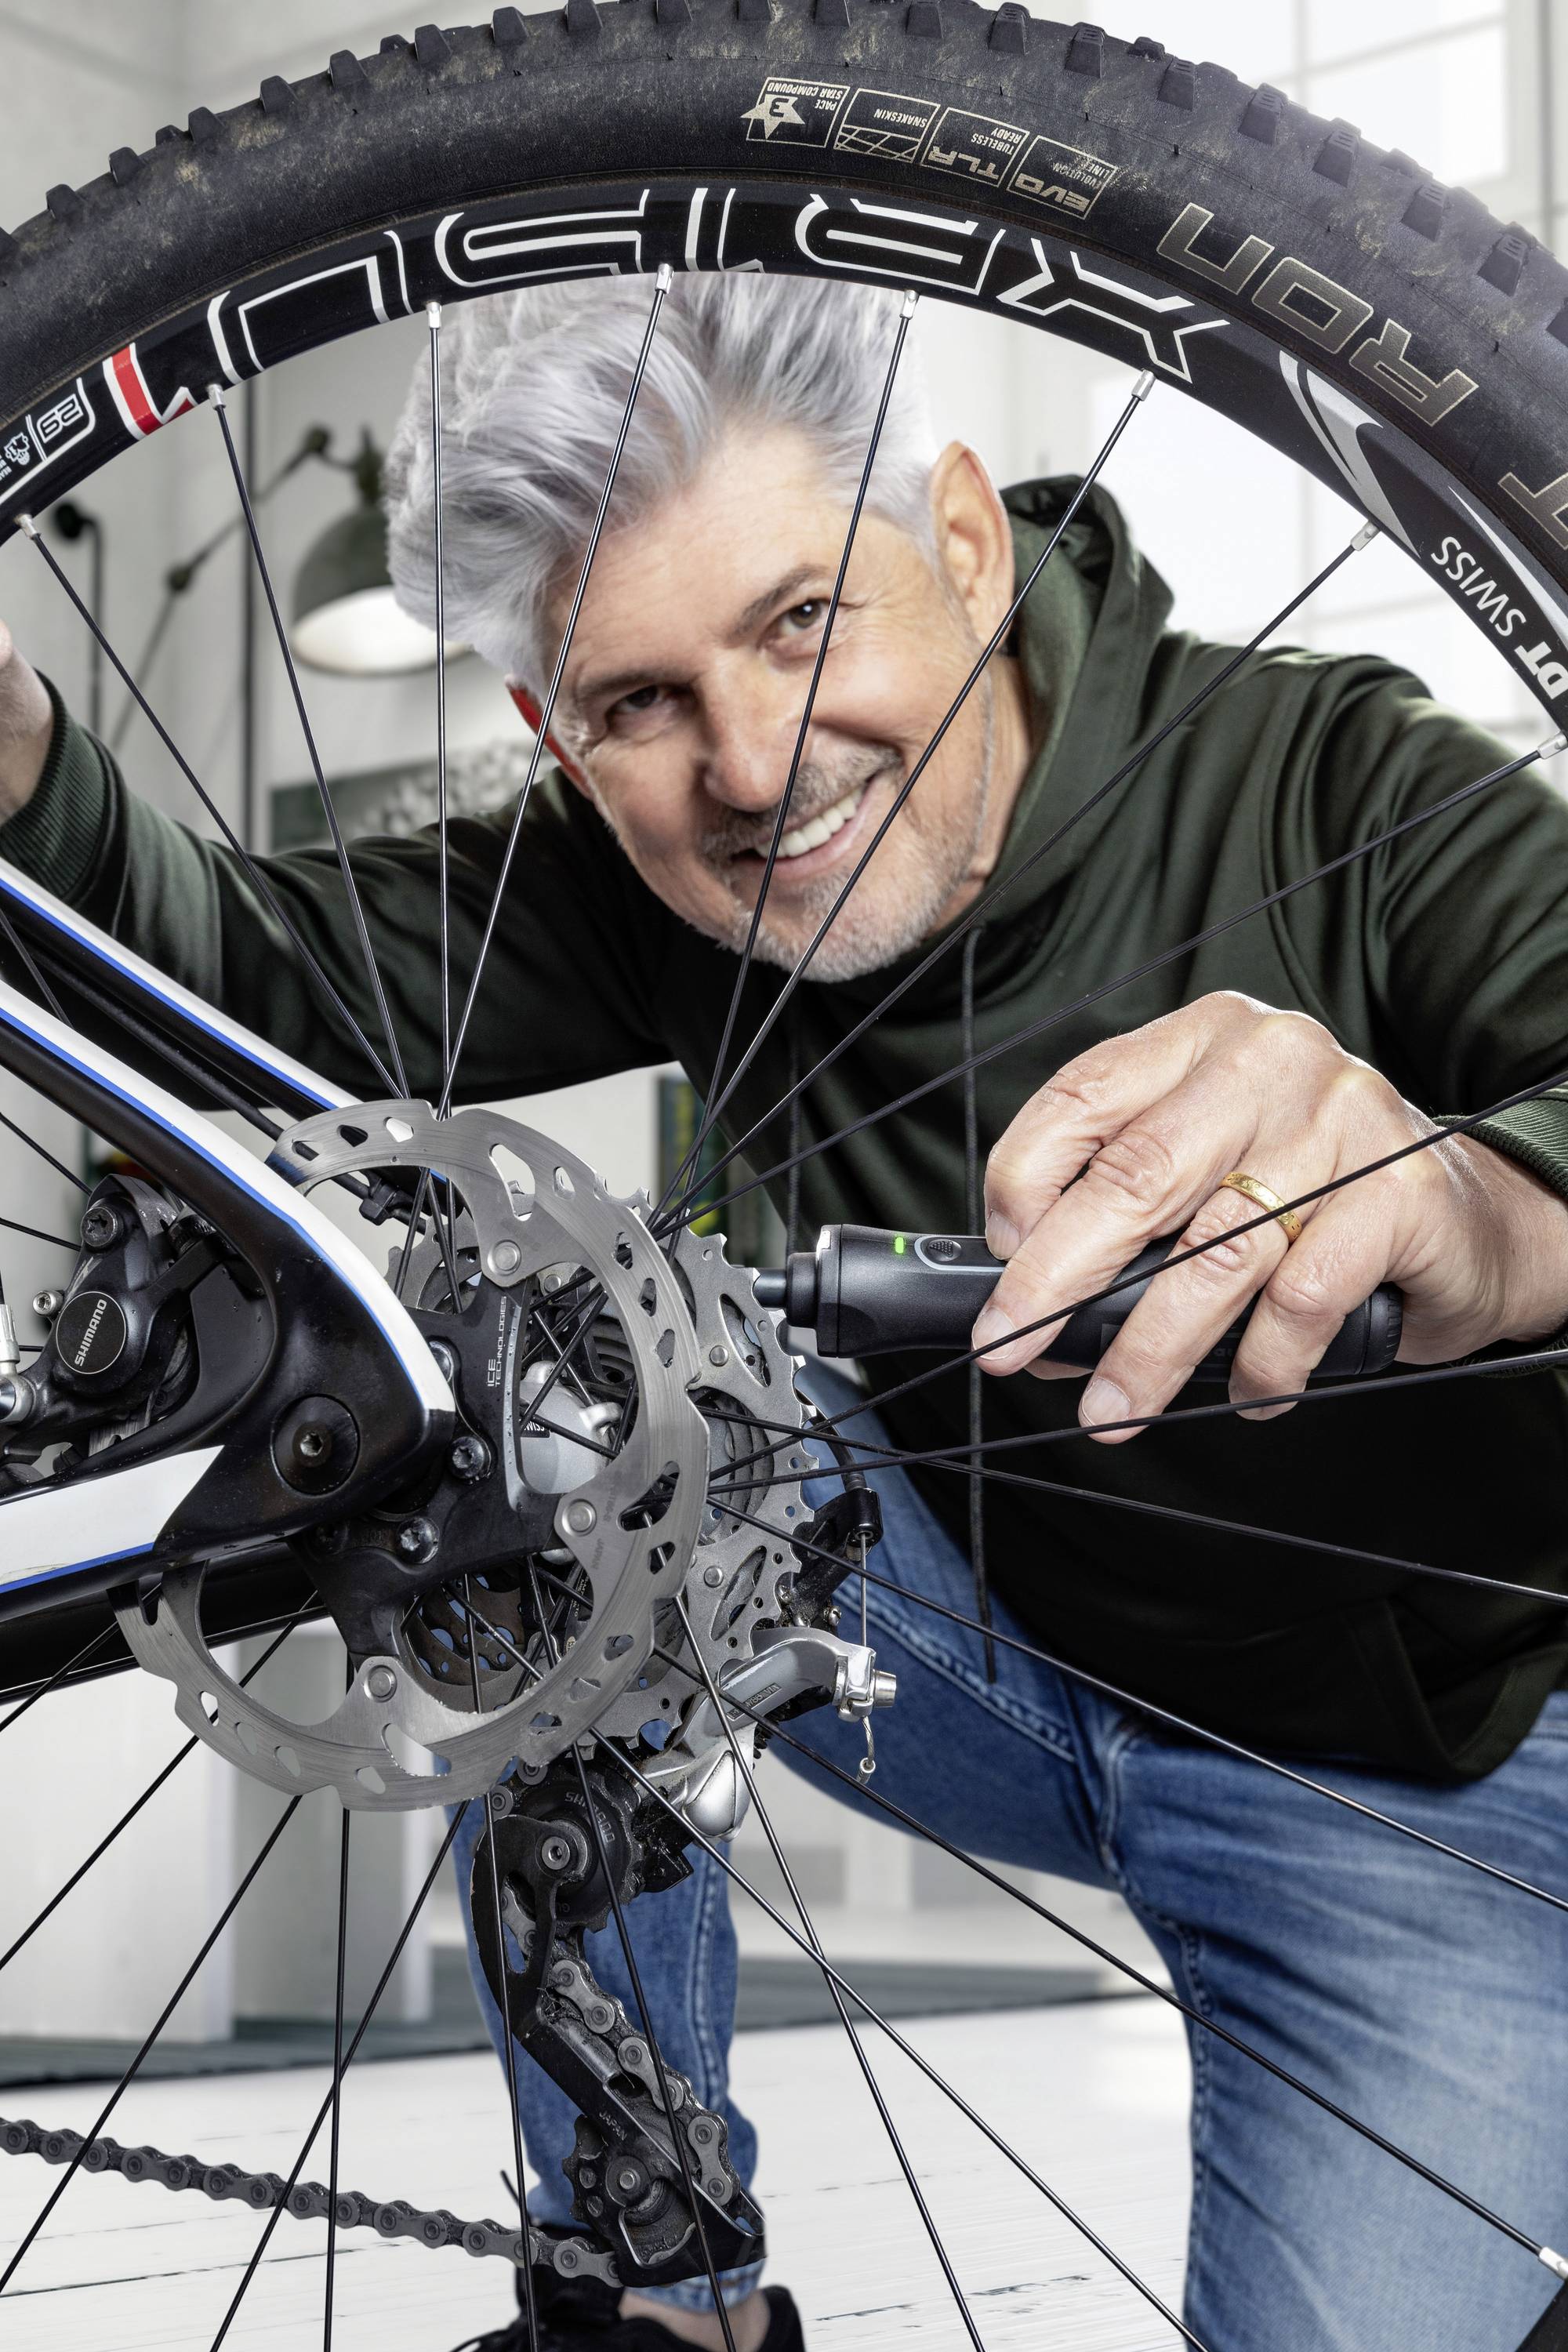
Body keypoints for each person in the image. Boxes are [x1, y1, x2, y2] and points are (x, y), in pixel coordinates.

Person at [2, 273, 1568, 2352]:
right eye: (636, 703)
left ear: (969, 541)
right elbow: (242, 990)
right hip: (971, 1654)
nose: (750, 765)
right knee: (565, 1394)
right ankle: (659, 2300)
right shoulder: (642, 881)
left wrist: (1470, 1203)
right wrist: (17, 748)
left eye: (803, 618)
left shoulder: (1346, 774)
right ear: (561, 733)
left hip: (1415, 1766)